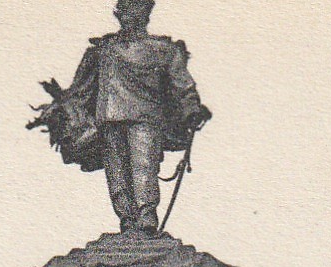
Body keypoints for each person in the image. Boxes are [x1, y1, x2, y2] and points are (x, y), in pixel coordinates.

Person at [29, 0, 212, 233]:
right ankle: (127, 219)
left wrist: (192, 110)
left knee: (143, 166)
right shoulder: (103, 50)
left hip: (145, 119)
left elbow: (182, 85)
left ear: (146, 13)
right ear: (119, 14)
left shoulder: (162, 49)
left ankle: (146, 217)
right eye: (125, 9)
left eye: (136, 9)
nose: (130, 15)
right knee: (117, 172)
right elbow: (81, 89)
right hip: (108, 120)